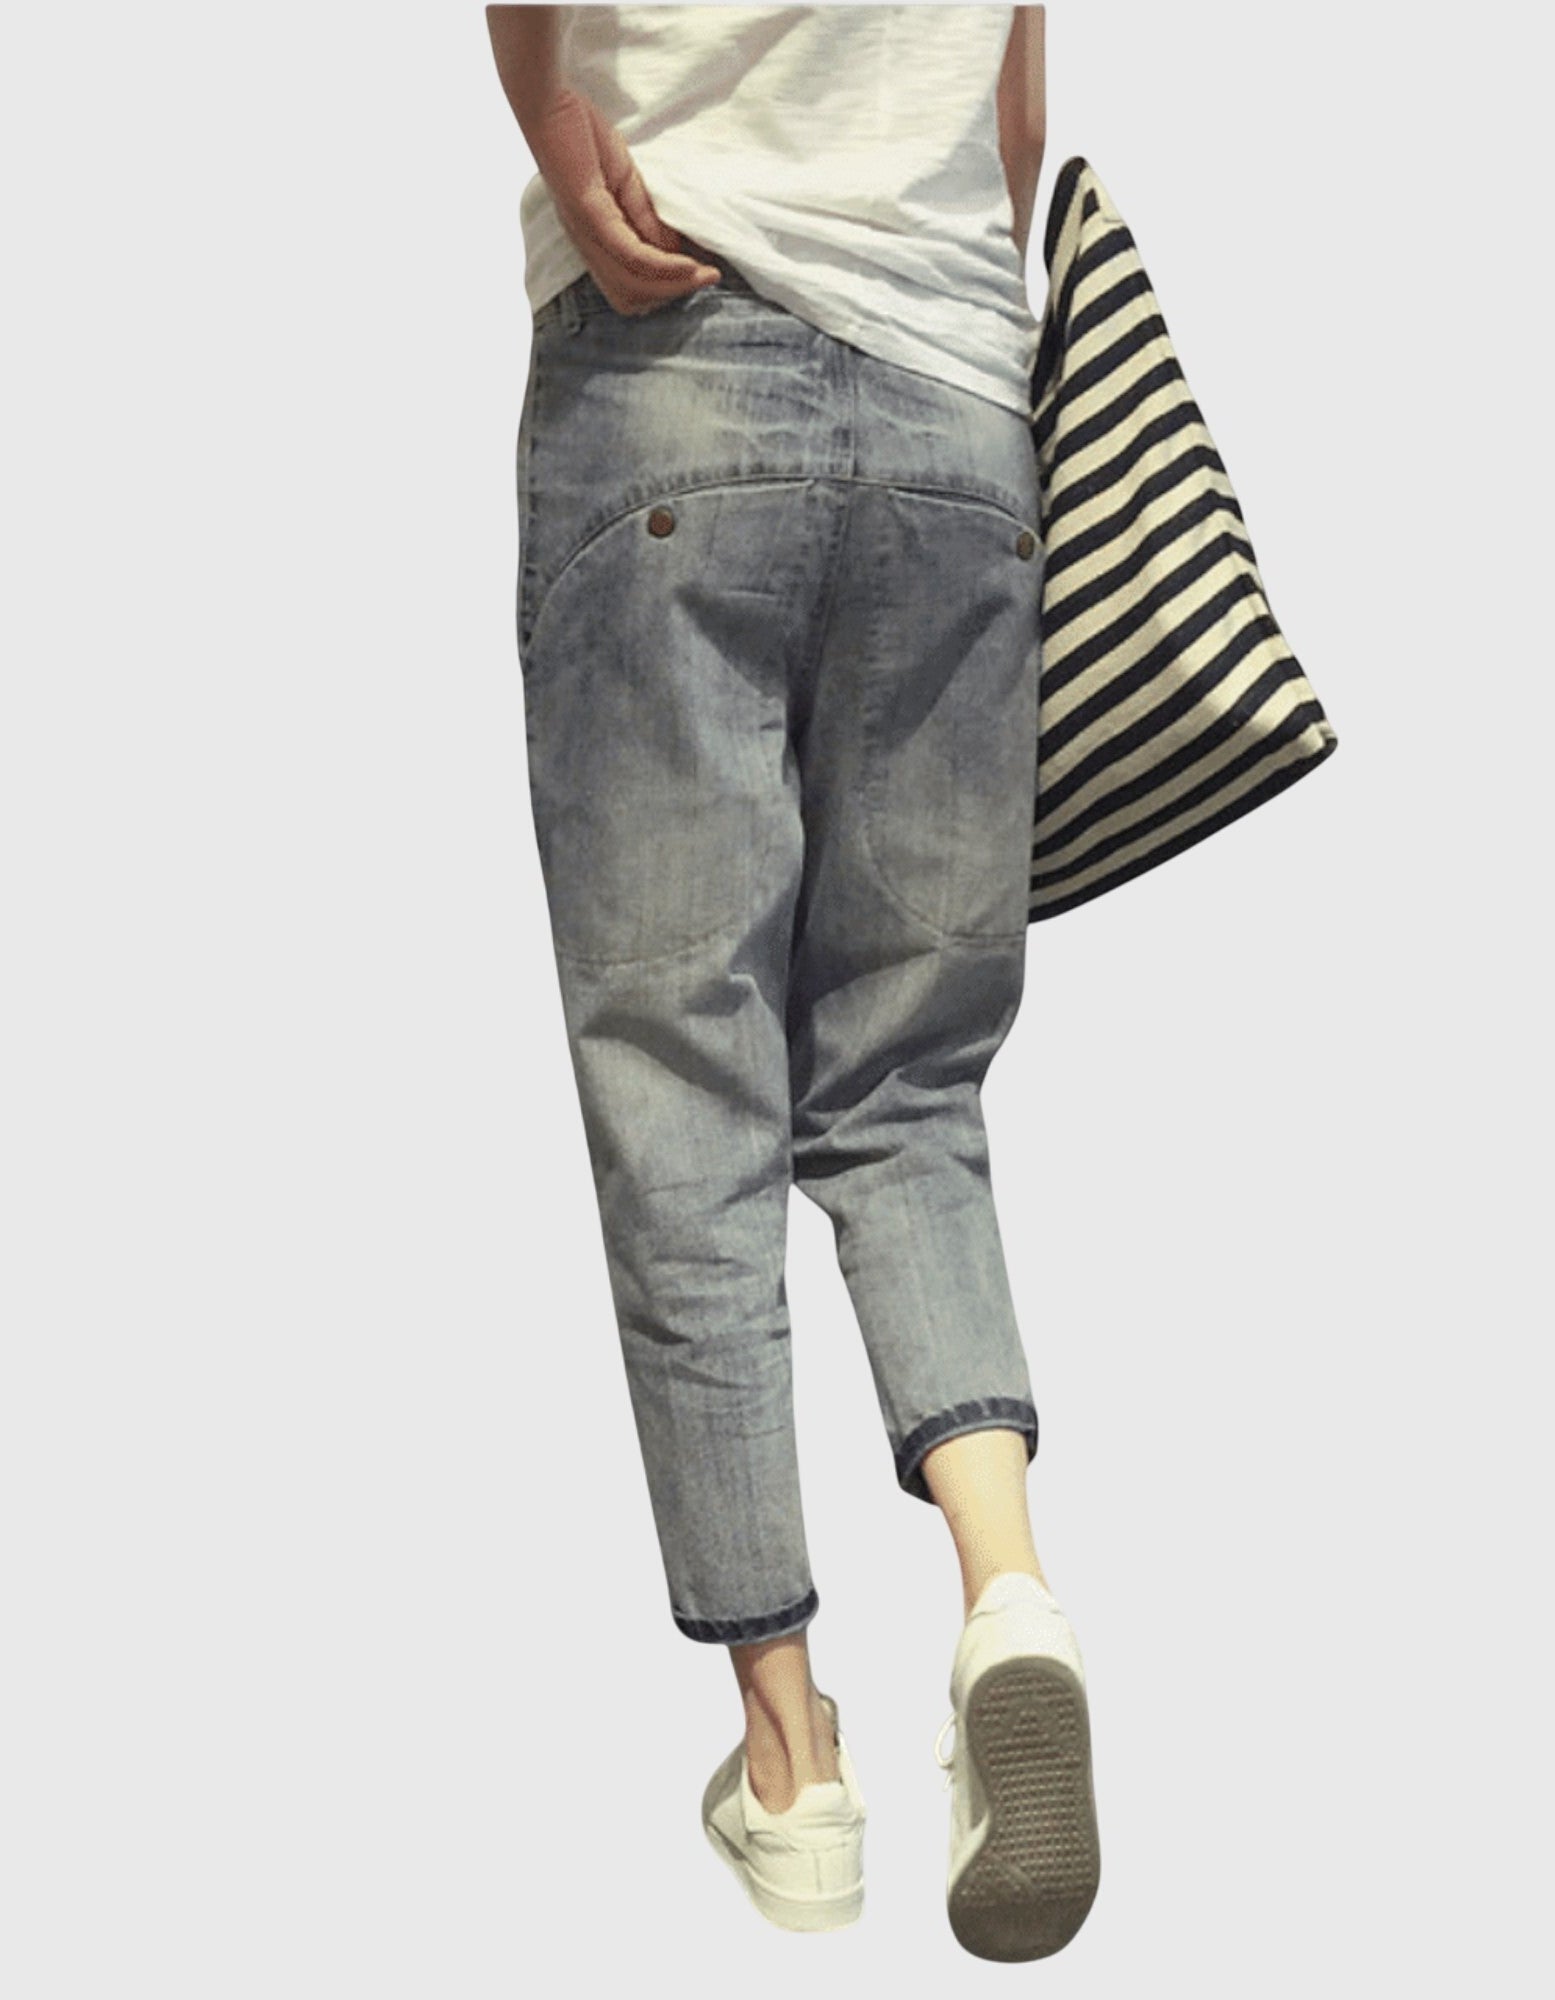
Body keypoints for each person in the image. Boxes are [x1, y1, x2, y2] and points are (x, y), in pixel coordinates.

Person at [485, 4, 1098, 1960]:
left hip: (672, 359)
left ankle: (789, 1757)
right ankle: (1007, 1598)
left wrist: (550, 114)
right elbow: (1014, 112)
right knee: (907, 1085)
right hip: (954, 402)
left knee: (690, 1098)